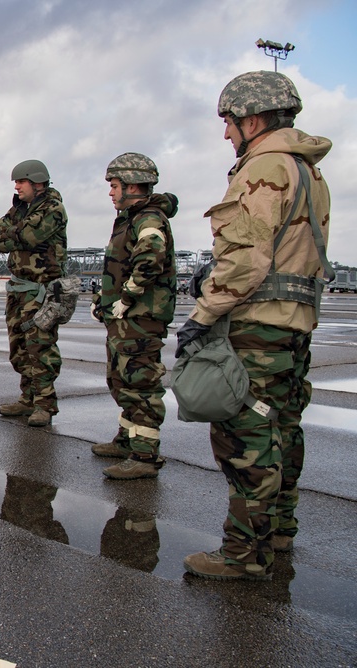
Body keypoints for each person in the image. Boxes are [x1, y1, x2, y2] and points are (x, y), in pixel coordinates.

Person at [179, 71, 332, 581]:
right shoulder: (309, 171)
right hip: (294, 325)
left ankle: (245, 554)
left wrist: (202, 315)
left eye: (229, 121)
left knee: (246, 440)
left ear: (255, 118)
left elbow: (244, 262)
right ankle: (280, 529)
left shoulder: (263, 168)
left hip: (256, 327)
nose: (226, 133)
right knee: (283, 428)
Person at [90, 153, 177, 480]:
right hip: (126, 318)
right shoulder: (132, 217)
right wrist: (105, 299)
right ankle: (128, 439)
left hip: (142, 318)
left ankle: (145, 455)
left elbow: (150, 258)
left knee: (140, 380)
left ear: (132, 185)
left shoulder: (148, 219)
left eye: (114, 186)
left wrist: (127, 297)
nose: (111, 192)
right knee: (121, 377)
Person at [0, 160, 68, 427]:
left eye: (20, 182)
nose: (16, 186)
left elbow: (31, 236)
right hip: (18, 290)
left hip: (41, 291)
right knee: (19, 348)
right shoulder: (20, 208)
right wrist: (18, 233)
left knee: (41, 347)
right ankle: (28, 398)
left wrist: (17, 233)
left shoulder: (53, 208)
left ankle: (45, 404)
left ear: (36, 182)